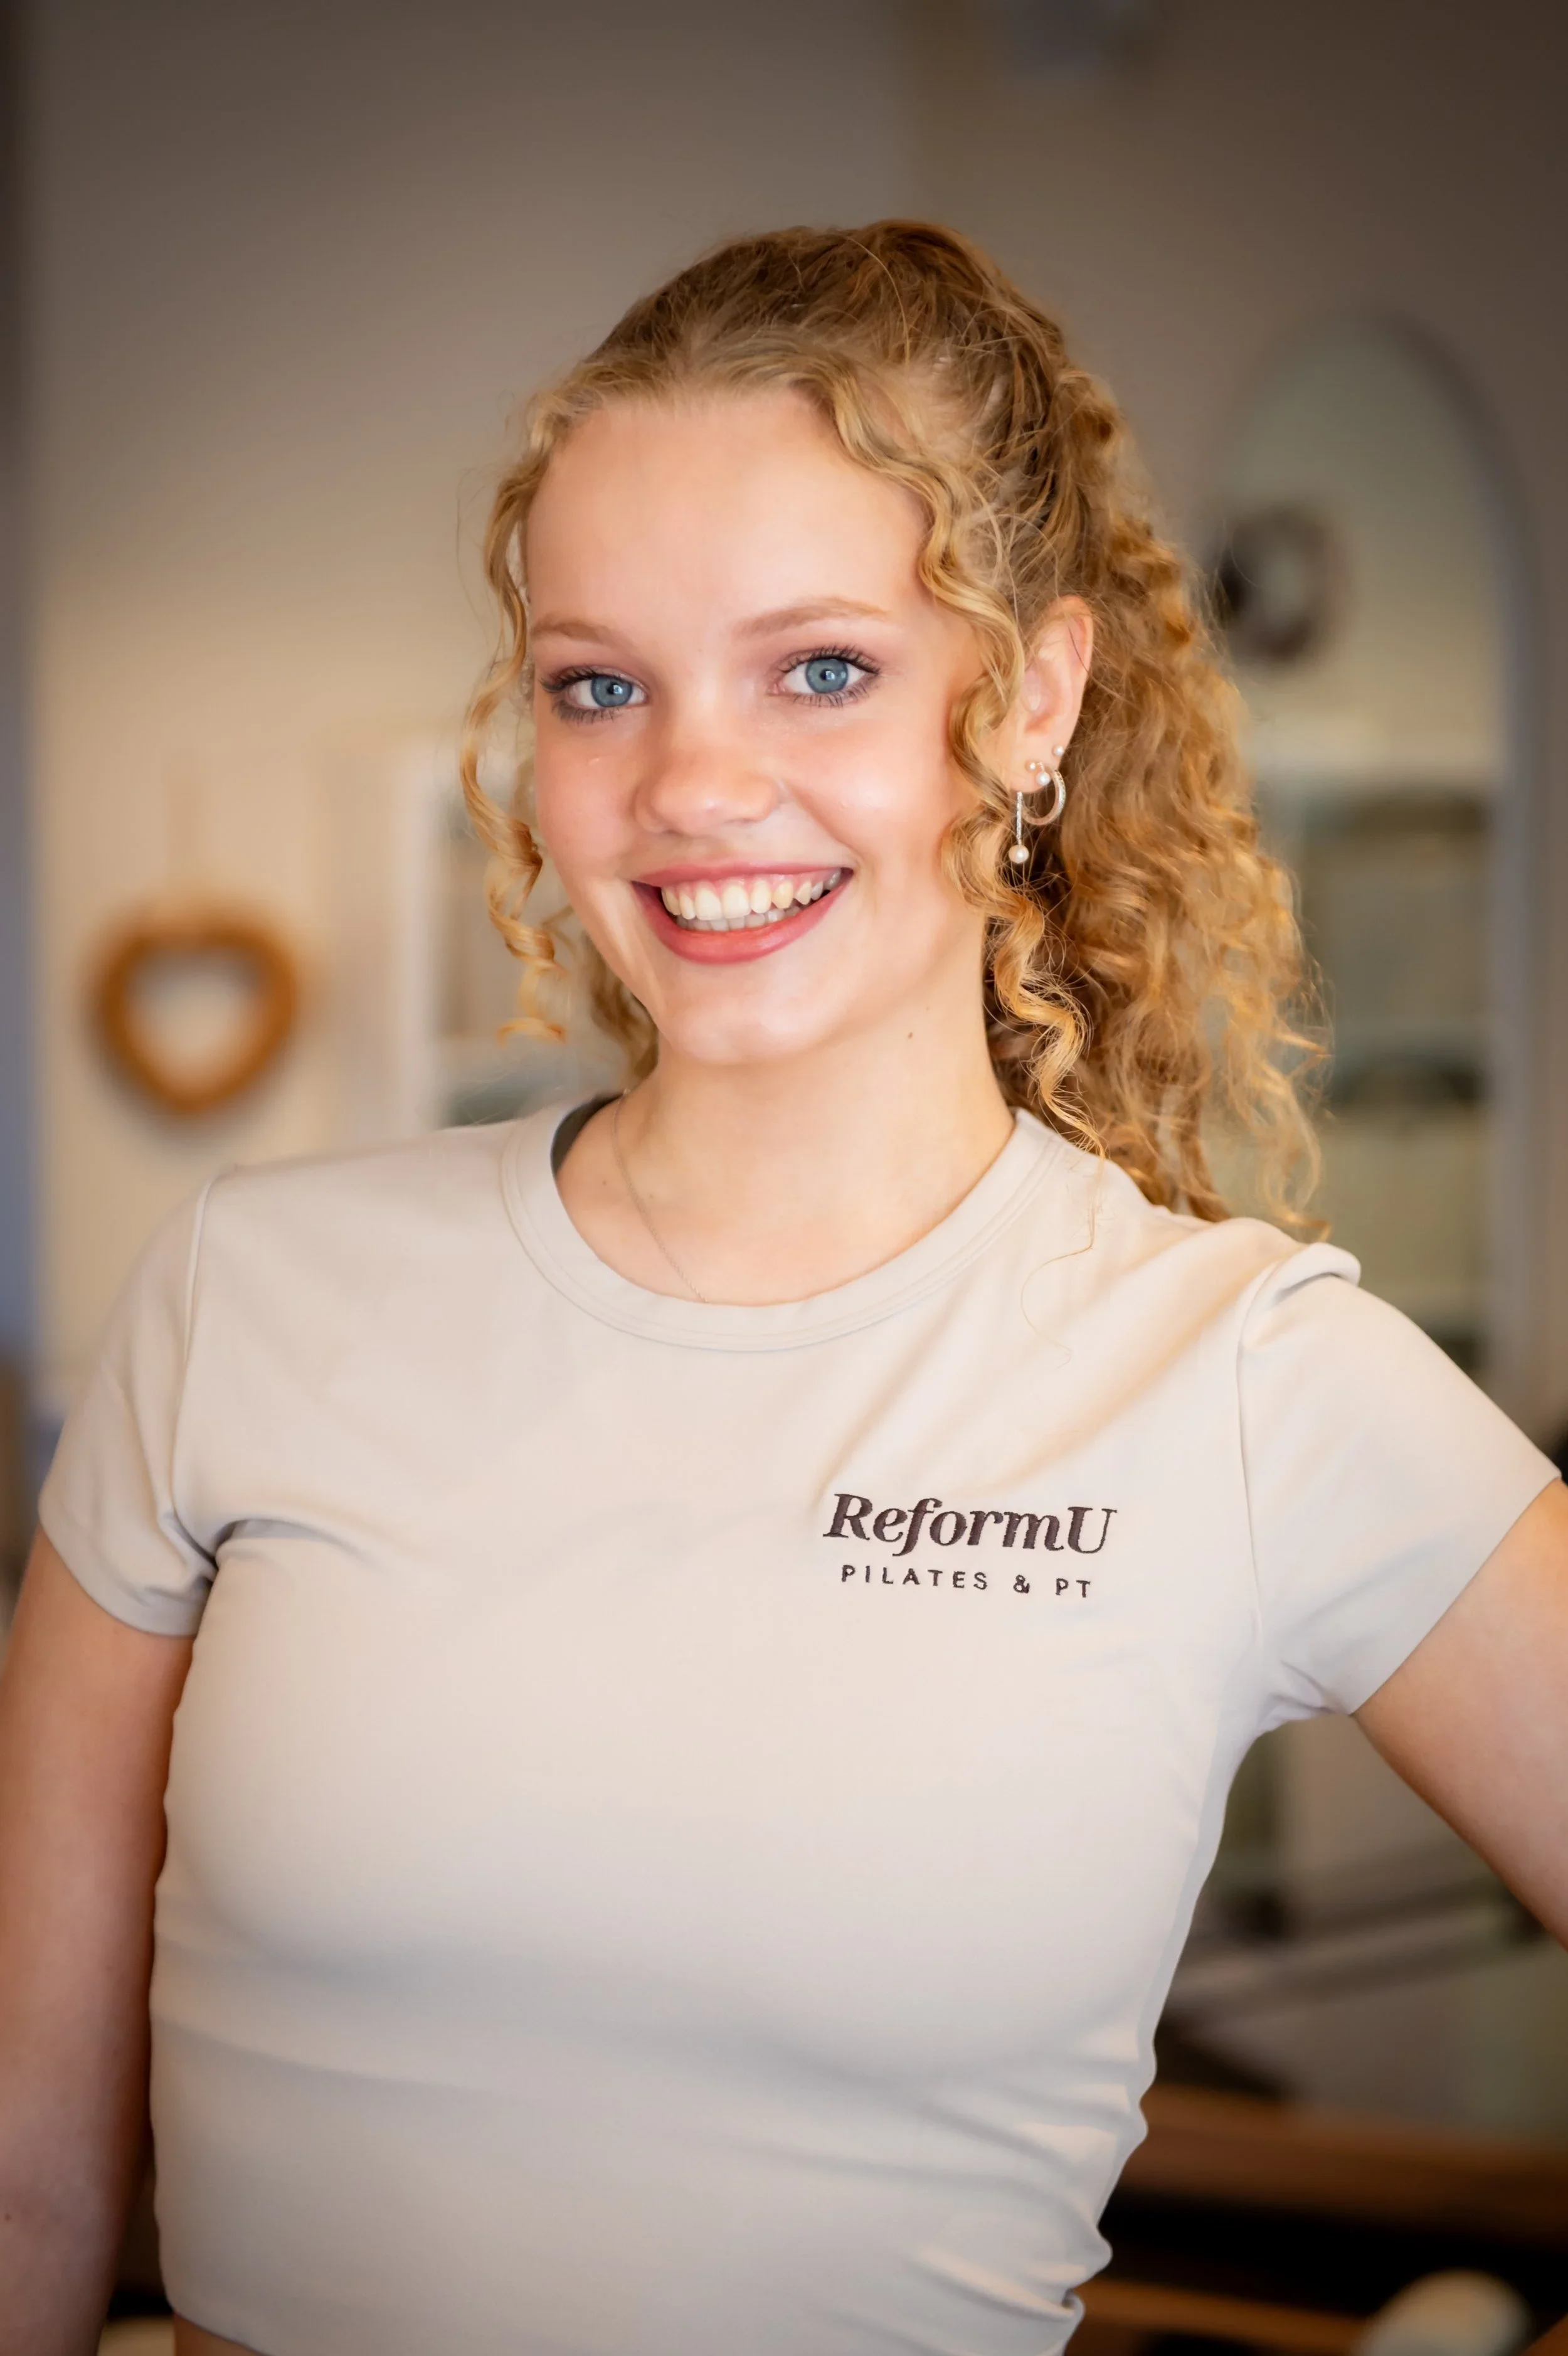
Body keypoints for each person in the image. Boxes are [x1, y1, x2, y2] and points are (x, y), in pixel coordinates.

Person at [1, 222, 1564, 2356]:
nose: (688, 787)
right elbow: (26, 2164)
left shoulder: (1244, 1385)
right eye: (597, 683)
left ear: (1025, 700)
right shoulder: (247, 1296)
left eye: (818, 666)